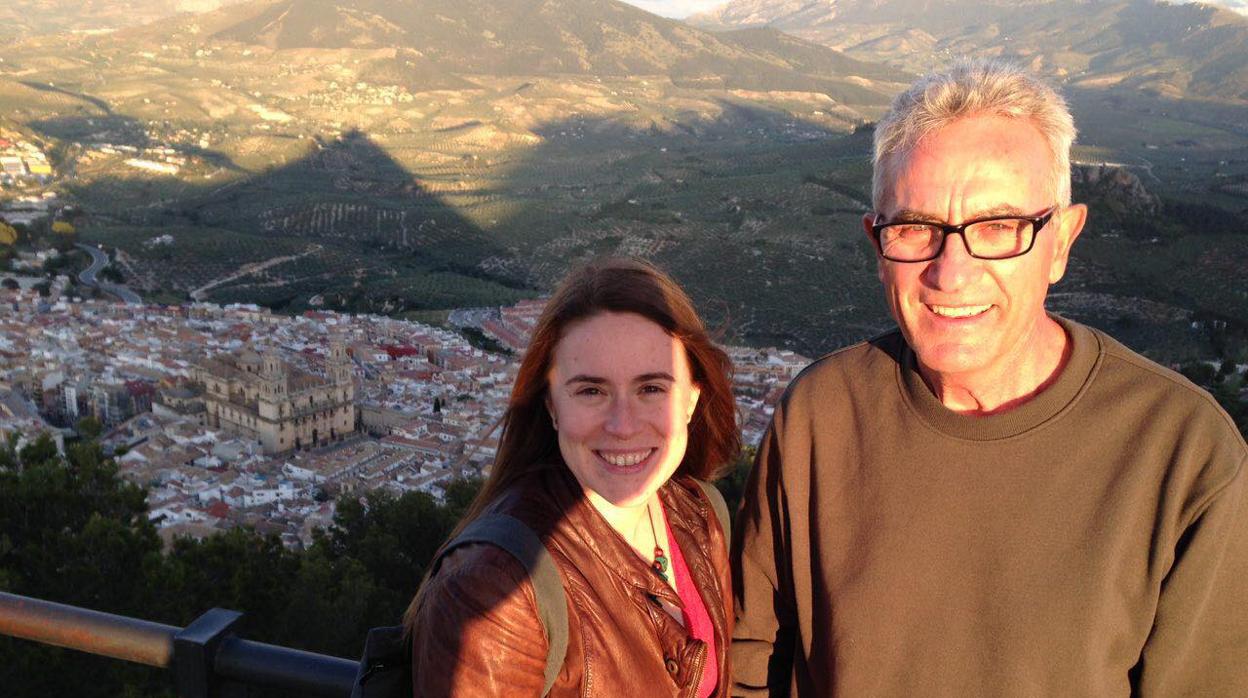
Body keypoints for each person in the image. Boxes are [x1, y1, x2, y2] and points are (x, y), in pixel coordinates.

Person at [731, 58, 1248, 696]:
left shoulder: (1184, 453)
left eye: (999, 228)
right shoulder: (820, 416)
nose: (952, 274)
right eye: (917, 228)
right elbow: (756, 659)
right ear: (876, 243)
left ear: (1061, 241)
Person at [406, 258, 741, 696]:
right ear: (552, 407)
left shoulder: (699, 514)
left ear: (692, 401)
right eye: (591, 391)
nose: (623, 425)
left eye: (652, 388)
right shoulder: (494, 589)